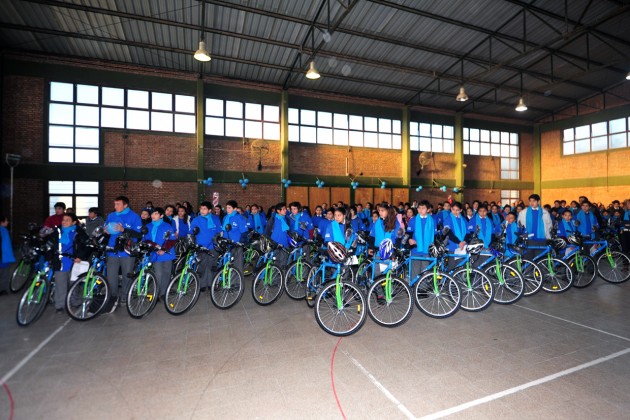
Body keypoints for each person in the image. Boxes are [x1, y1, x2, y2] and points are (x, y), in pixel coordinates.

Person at [104, 196, 143, 312]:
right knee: (111, 276)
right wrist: (105, 230)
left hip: (127, 251)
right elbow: (105, 228)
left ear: (125, 205)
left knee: (127, 275)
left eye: (118, 204)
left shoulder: (134, 216)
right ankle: (113, 297)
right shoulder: (111, 216)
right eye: (115, 204)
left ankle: (125, 296)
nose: (115, 207)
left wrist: (123, 230)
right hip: (112, 250)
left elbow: (138, 235)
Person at [54, 213, 90, 313]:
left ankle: (75, 301)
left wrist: (80, 256)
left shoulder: (79, 232)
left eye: (67, 220)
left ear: (73, 222)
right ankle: (60, 305)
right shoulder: (57, 231)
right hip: (60, 260)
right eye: (63, 220)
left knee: (74, 283)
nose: (64, 222)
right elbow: (51, 244)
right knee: (60, 283)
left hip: (74, 260)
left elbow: (86, 245)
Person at [143, 208, 176, 300]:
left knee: (166, 273)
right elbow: (146, 239)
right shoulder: (148, 226)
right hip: (155, 253)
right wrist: (154, 246)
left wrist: (164, 249)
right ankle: (156, 293)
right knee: (158, 274)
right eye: (152, 214)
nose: (153, 216)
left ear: (161, 216)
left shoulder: (167, 226)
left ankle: (164, 292)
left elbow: (172, 239)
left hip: (167, 253)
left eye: (156, 214)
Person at [190, 201, 222, 291]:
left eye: (204, 209)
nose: (202, 211)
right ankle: (202, 285)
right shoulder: (196, 220)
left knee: (212, 266)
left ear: (209, 210)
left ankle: (212, 284)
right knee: (202, 266)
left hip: (213, 247)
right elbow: (191, 233)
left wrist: (216, 240)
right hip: (201, 247)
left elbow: (219, 232)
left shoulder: (215, 219)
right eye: (201, 208)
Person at [406, 200, 436, 280]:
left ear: (428, 209)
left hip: (427, 250)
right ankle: (413, 289)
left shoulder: (432, 220)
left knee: (425, 272)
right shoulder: (413, 220)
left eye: (423, 208)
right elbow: (408, 233)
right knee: (415, 272)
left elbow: (435, 235)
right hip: (416, 249)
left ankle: (422, 290)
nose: (420, 210)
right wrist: (409, 240)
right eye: (419, 208)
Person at [222, 200, 248, 274]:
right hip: (227, 244)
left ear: (235, 209)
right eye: (227, 208)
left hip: (236, 244)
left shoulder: (240, 218)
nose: (227, 209)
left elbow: (244, 232)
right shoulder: (225, 218)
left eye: (229, 208)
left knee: (237, 264)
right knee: (227, 263)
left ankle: (236, 283)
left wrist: (239, 243)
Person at [265, 202, 290, 268]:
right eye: (283, 209)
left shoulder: (286, 219)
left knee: (283, 263)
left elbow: (288, 231)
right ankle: (274, 277)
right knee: (274, 263)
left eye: (285, 209)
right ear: (278, 211)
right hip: (275, 244)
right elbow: (267, 230)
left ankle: (282, 277)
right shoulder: (273, 219)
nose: (285, 211)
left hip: (284, 244)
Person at [0, 215, 15, 295]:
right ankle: (3, 290)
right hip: (4, 257)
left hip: (3, 257)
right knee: (4, 274)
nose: (7, 222)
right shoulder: (4, 231)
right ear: (2, 222)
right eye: (6, 220)